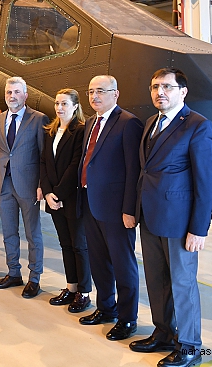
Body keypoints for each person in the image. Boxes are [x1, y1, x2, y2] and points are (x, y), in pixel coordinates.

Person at [129, 68, 212, 367]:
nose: (160, 92)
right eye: (155, 86)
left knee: (182, 283)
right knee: (156, 281)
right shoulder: (151, 123)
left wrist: (199, 229)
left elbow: (206, 184)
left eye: (167, 86)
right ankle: (164, 332)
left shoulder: (198, 126)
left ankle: (190, 346)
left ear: (183, 92)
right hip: (150, 218)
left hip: (179, 223)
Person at [78, 75, 143, 341]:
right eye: (91, 91)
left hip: (116, 209)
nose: (95, 96)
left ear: (115, 94)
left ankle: (127, 319)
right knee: (98, 262)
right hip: (90, 203)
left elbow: (133, 170)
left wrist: (130, 209)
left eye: (101, 91)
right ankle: (106, 308)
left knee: (123, 264)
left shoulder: (128, 123)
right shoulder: (90, 122)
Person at [0, 76, 49, 298]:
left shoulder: (38, 119)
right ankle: (14, 272)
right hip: (4, 185)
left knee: (33, 234)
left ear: (25, 95)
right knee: (8, 232)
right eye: (8, 92)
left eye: (16, 92)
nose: (12, 96)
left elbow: (43, 155)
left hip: (28, 185)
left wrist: (41, 185)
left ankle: (34, 278)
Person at [40, 88, 91, 313]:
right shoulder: (50, 131)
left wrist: (58, 194)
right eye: (57, 103)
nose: (59, 108)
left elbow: (75, 165)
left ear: (75, 106)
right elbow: (44, 162)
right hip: (53, 198)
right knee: (65, 244)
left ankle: (84, 292)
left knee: (79, 246)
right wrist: (47, 192)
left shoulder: (80, 130)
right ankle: (71, 287)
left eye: (64, 104)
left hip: (71, 198)